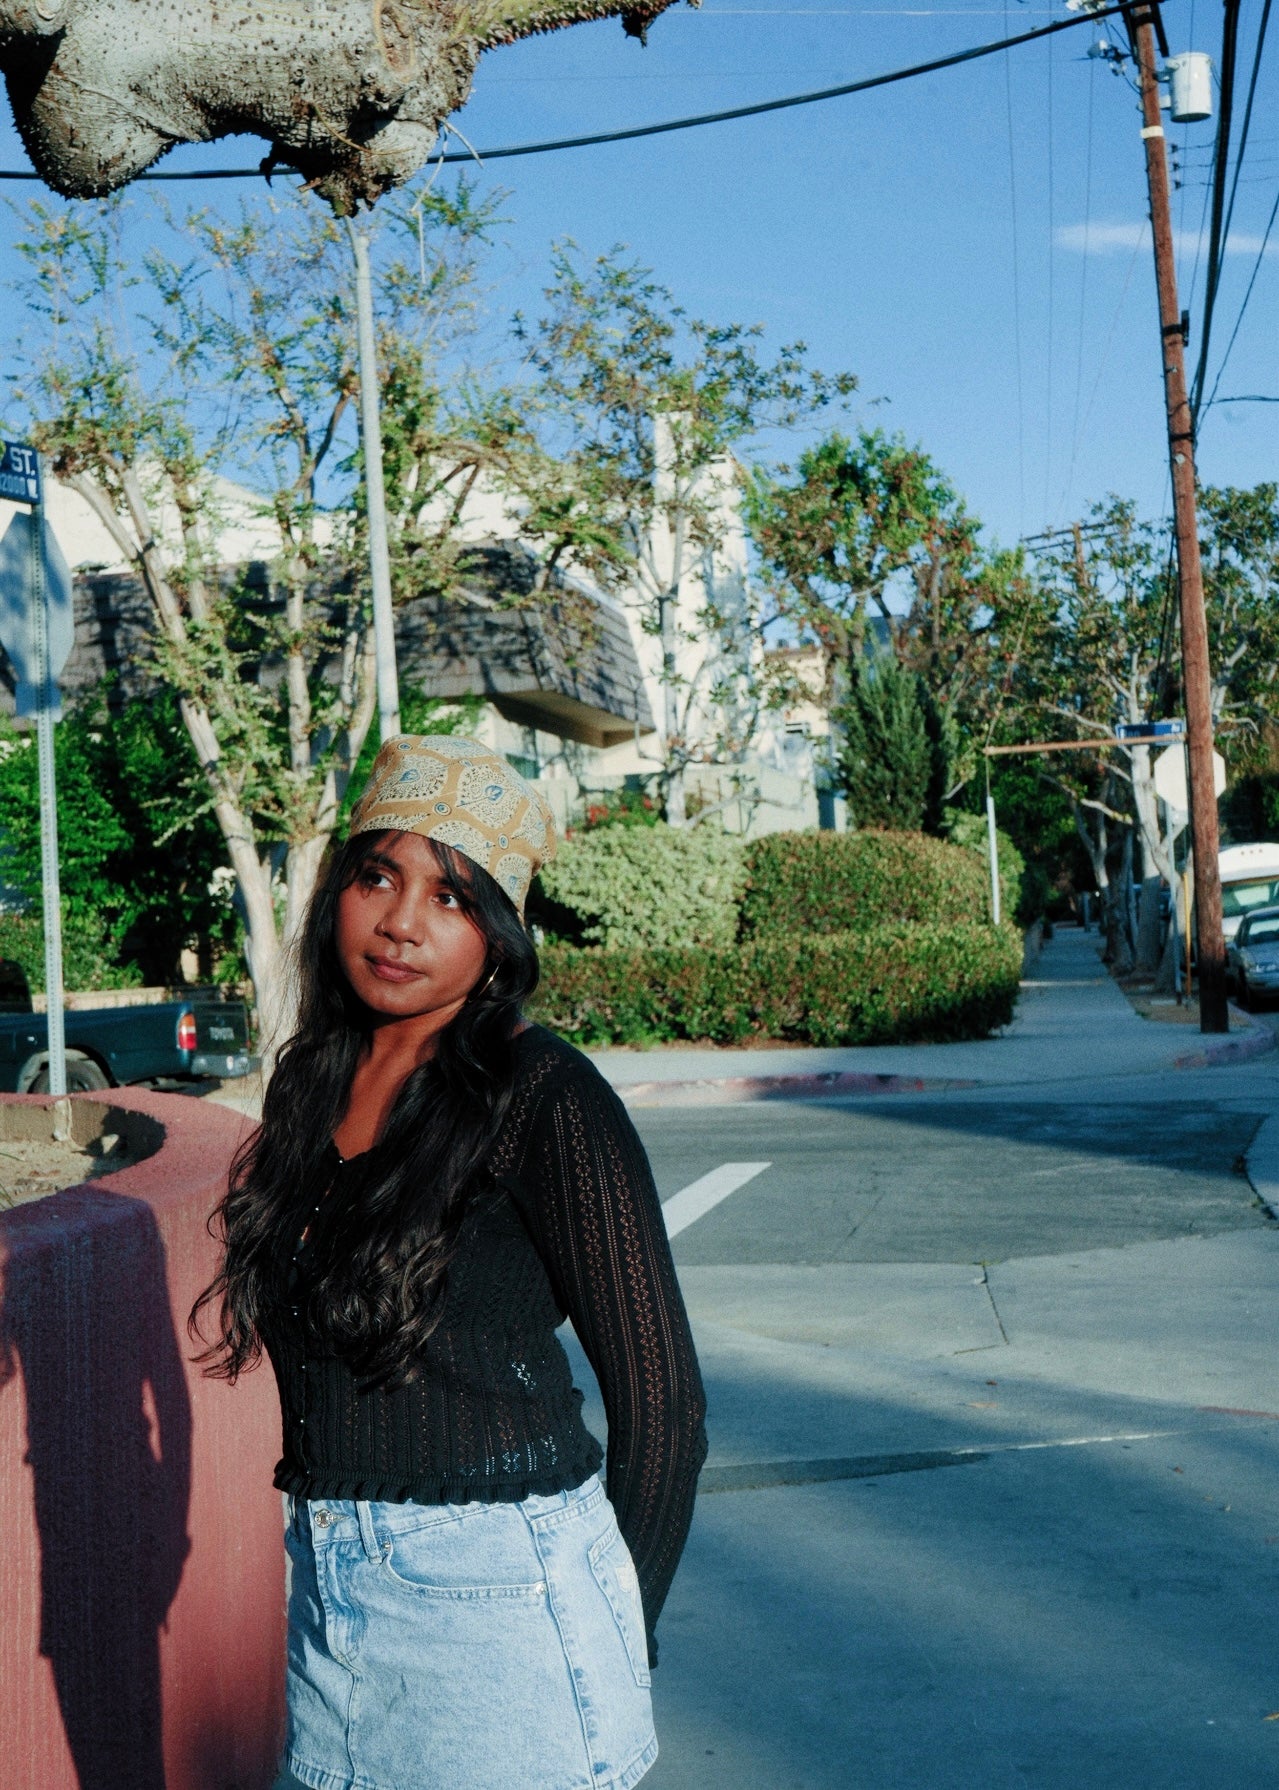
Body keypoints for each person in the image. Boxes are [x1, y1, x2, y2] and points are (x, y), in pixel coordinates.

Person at [191, 735, 708, 1790]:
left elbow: (665, 1407)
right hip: (331, 1596)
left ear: (501, 932)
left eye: (453, 898)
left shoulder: (543, 1094)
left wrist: (619, 1622)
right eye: (378, 875)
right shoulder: (310, 1087)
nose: (400, 921)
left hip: (498, 1607)